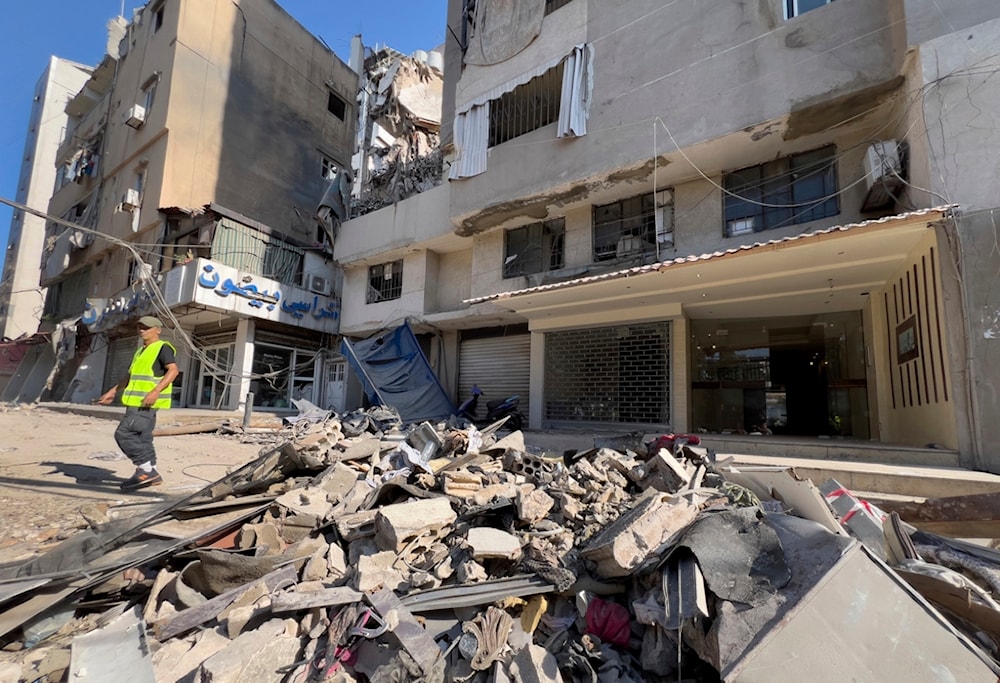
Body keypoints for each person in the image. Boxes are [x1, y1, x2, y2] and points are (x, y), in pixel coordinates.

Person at [98, 315, 179, 491]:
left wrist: (155, 391)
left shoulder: (162, 348)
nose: (142, 330)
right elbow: (130, 376)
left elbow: (173, 371)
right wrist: (113, 391)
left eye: (147, 327)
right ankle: (152, 473)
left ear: (158, 330)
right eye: (140, 327)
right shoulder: (140, 351)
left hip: (146, 403)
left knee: (124, 433)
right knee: (143, 437)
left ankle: (145, 470)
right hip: (135, 401)